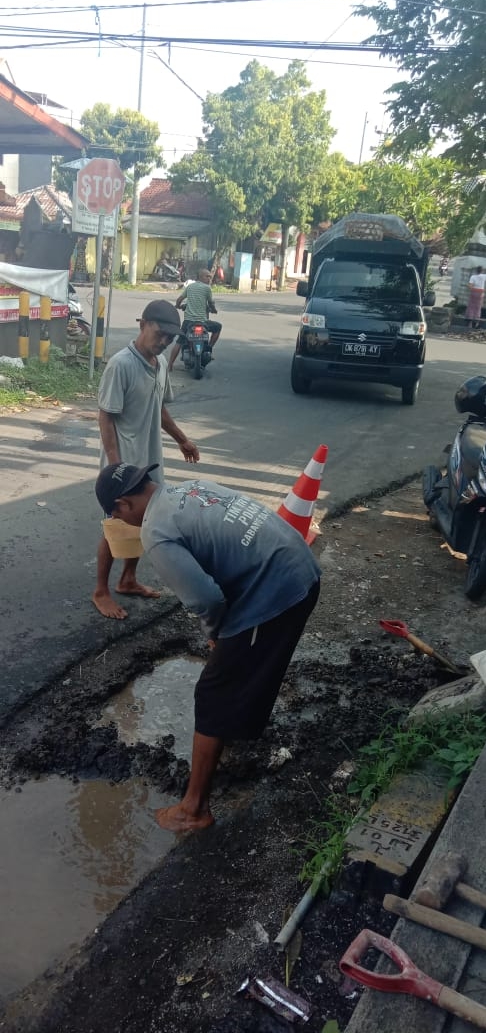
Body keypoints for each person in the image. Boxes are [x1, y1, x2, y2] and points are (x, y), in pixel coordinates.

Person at [95, 463, 321, 832]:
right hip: (298, 565)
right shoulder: (189, 488)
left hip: (279, 589)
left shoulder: (157, 532)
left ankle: (194, 808)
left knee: (214, 691)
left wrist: (216, 631)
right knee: (245, 665)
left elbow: (205, 599)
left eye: (114, 515)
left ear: (122, 506)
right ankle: (235, 733)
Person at [92, 300, 200, 620]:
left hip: (148, 460)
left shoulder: (160, 363)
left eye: (170, 336)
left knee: (143, 520)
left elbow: (159, 408)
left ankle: (128, 579)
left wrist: (182, 440)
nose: (164, 340)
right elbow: (106, 416)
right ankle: (100, 590)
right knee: (115, 526)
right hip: (123, 463)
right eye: (160, 332)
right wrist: (115, 466)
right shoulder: (121, 364)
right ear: (143, 324)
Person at [168, 269, 222, 371]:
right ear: (201, 277)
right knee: (218, 327)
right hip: (203, 322)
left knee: (179, 342)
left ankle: (170, 364)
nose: (209, 279)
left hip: (188, 322)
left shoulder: (190, 287)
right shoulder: (207, 288)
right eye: (207, 276)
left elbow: (179, 300)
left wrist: (178, 306)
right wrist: (213, 309)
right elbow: (211, 303)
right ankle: (209, 348)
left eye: (210, 277)